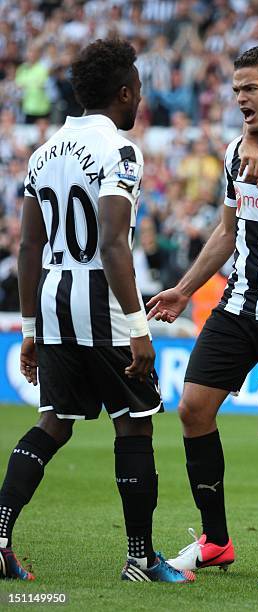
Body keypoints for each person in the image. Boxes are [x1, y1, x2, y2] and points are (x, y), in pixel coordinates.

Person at [0, 39, 194, 585]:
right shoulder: (120, 151)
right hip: (100, 302)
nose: (141, 100)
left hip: (54, 300)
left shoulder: (43, 153)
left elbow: (29, 248)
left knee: (53, 423)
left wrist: (32, 328)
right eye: (138, 90)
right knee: (133, 425)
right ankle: (140, 559)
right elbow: (112, 244)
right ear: (125, 92)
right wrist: (139, 330)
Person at [146, 46, 258, 572]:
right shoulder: (233, 152)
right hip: (238, 303)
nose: (240, 97)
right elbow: (228, 230)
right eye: (236, 89)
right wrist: (183, 288)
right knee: (192, 408)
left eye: (250, 88)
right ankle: (216, 540)